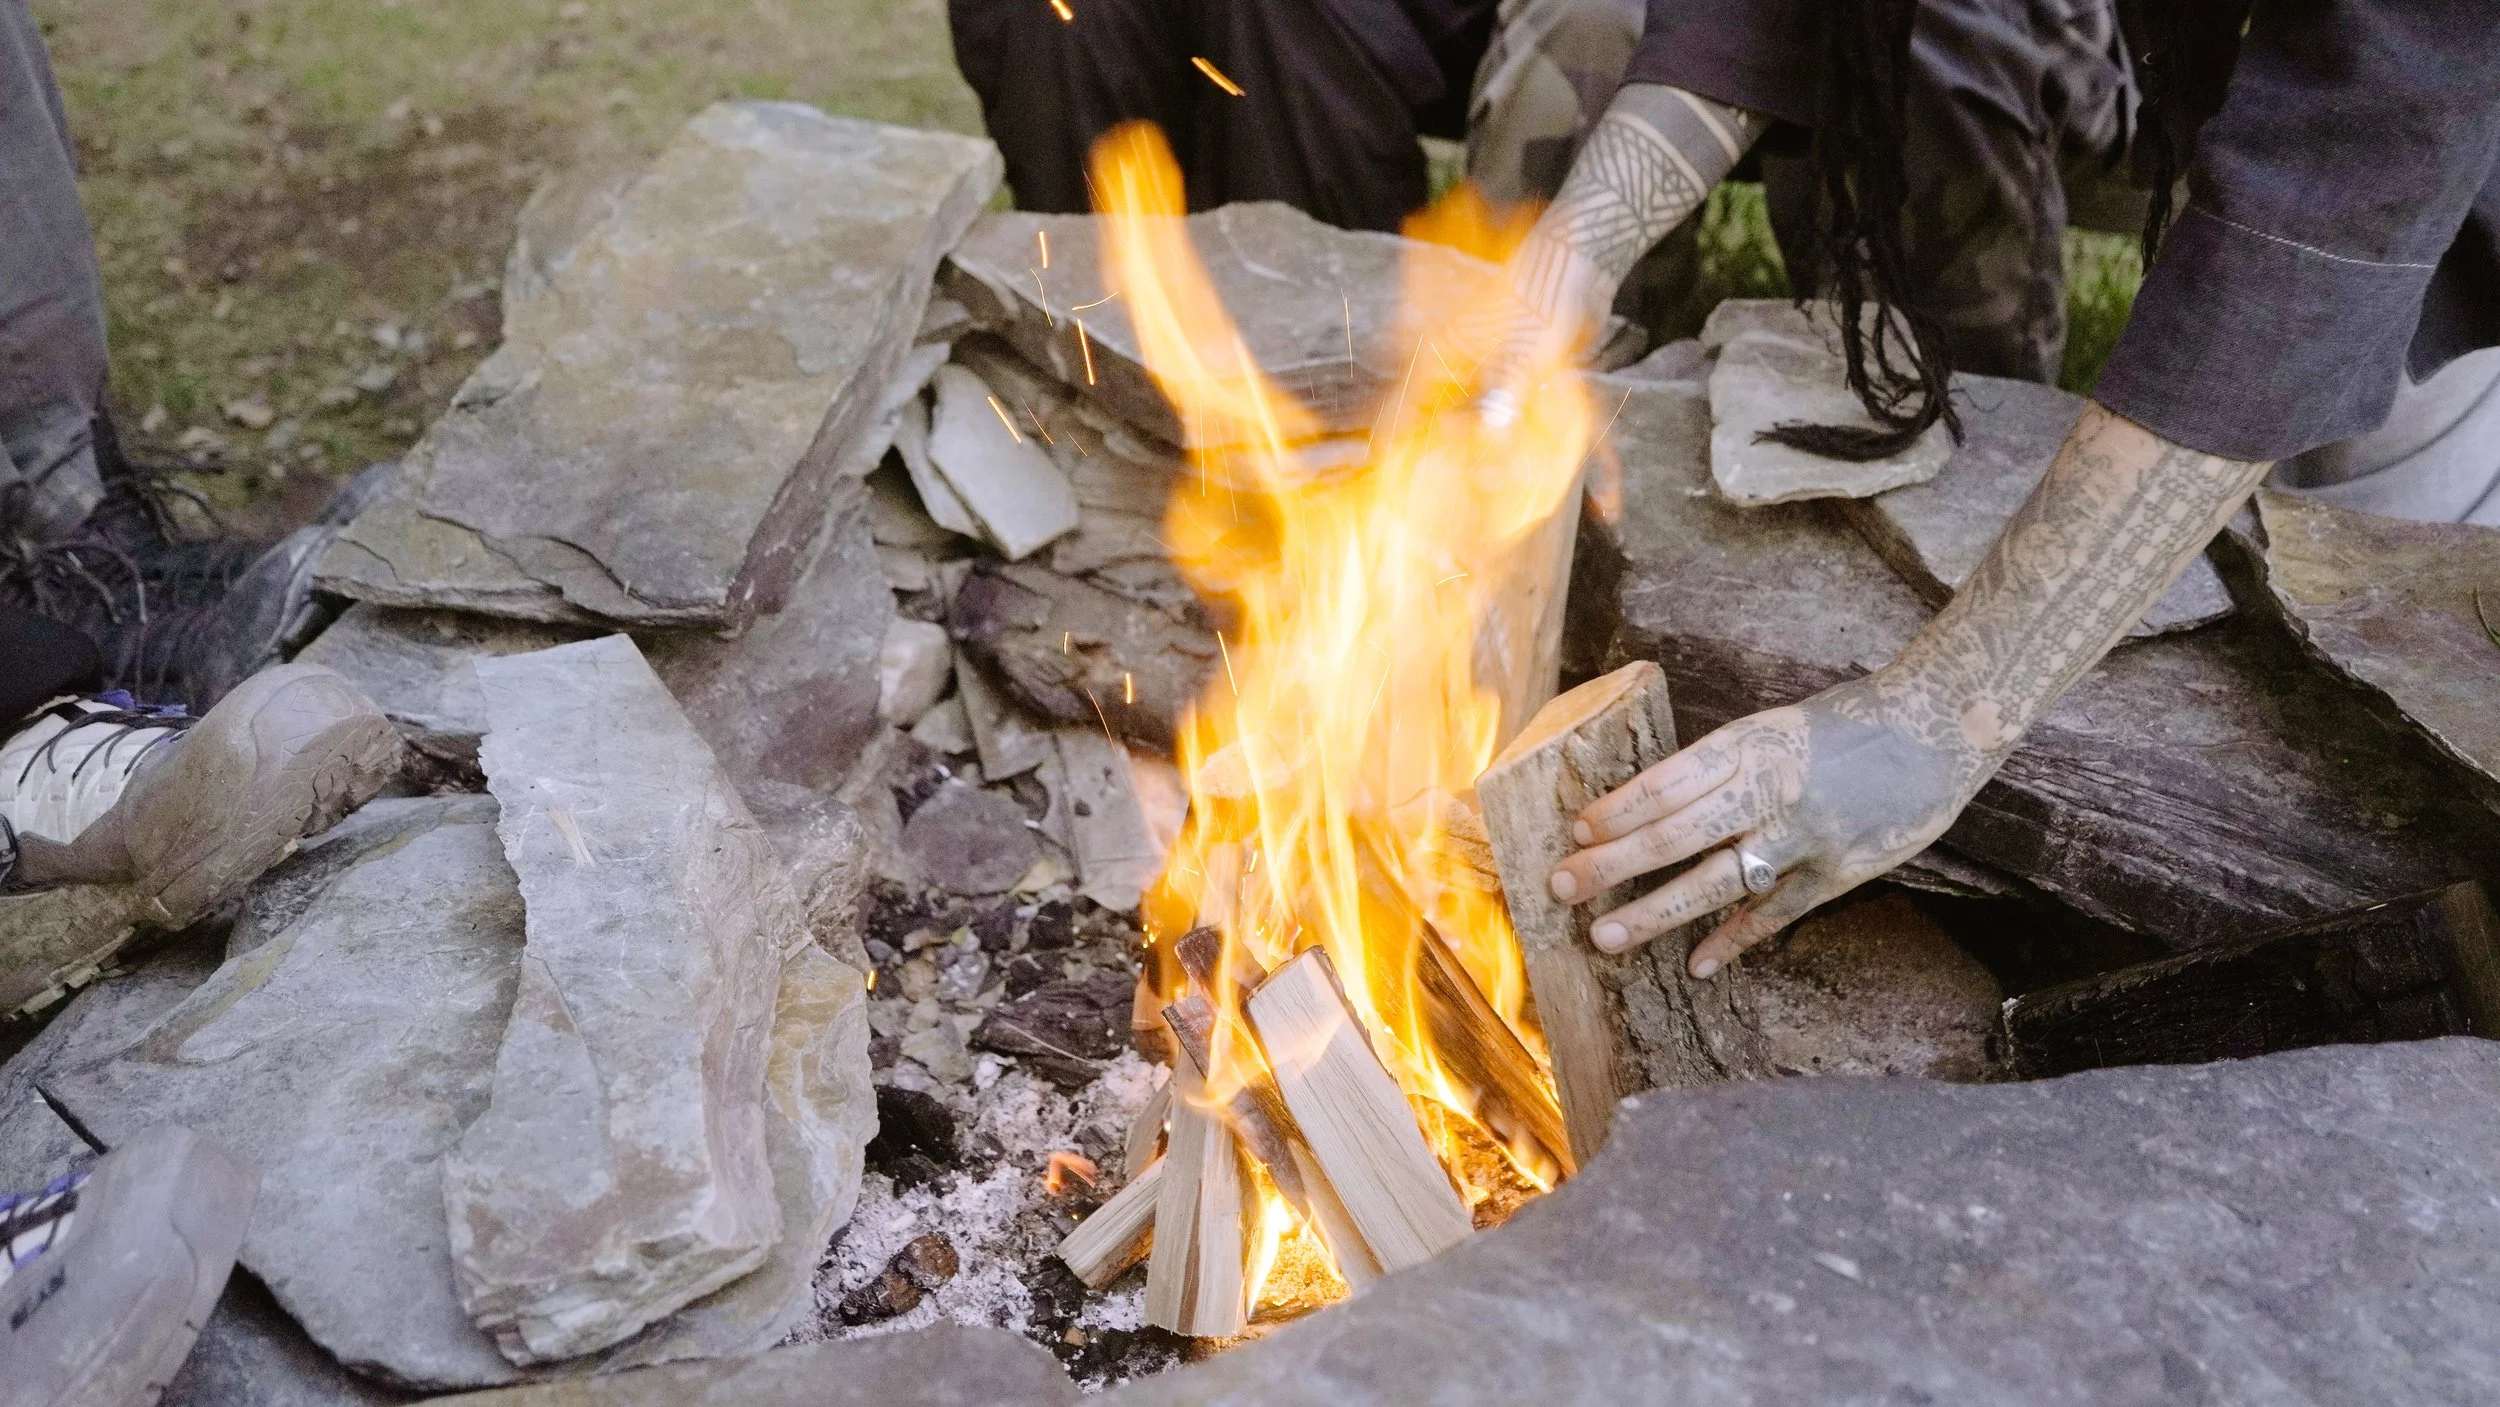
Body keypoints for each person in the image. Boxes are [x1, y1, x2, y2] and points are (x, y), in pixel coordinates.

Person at [1490, 0, 2500, 976]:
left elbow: (2349, 166)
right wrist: (1575, 253)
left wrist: (1935, 717)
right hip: (2273, 76)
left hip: (2445, 120)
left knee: (2395, 715)